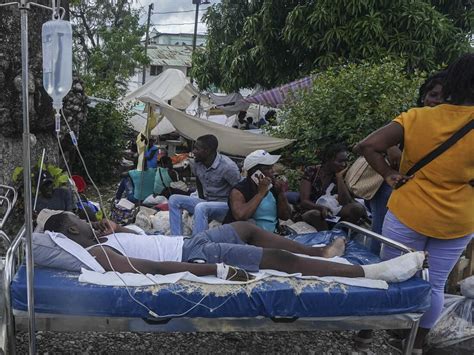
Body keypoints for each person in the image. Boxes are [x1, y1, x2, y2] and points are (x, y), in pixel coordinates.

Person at [358, 53, 474, 352]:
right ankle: (415, 345)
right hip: (459, 218)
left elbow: (368, 145)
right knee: (434, 284)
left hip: (409, 208)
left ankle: (368, 331)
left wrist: (388, 174)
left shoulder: (418, 117)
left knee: (389, 272)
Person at [39, 209, 426, 284]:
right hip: (196, 254)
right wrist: (217, 271)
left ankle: (318, 251)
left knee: (244, 227)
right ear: (70, 235)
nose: (85, 223)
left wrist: (119, 226)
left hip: (193, 239)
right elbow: (151, 269)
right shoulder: (95, 253)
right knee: (272, 259)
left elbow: (145, 241)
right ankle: (370, 272)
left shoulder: (103, 237)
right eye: (78, 224)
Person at [365, 71, 447, 235]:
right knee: (380, 233)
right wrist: (390, 148)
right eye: (433, 95)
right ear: (423, 97)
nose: (437, 101)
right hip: (391, 186)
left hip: (424, 196)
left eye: (443, 97)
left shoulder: (452, 128)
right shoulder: (410, 118)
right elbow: (368, 144)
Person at [168, 135, 242, 236]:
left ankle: (197, 244)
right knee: (174, 199)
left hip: (225, 207)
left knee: (201, 207)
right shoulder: (197, 163)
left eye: (197, 149)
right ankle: (176, 239)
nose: (193, 151)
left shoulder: (228, 167)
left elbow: (240, 189)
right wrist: (201, 197)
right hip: (207, 202)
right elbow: (198, 178)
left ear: (207, 151)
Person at [298, 144, 366, 231]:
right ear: (328, 159)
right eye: (340, 161)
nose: (343, 164)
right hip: (312, 209)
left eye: (345, 161)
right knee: (316, 214)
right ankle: (328, 238)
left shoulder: (341, 174)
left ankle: (341, 233)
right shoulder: (312, 171)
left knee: (357, 208)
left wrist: (339, 177)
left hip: (332, 210)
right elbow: (304, 201)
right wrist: (321, 208)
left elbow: (344, 202)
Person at [223, 150, 291, 233]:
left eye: (272, 167)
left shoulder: (273, 188)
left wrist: (281, 194)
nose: (272, 171)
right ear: (255, 173)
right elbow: (240, 215)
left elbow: (285, 216)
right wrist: (260, 194)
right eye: (267, 168)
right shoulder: (239, 190)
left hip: (271, 236)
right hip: (246, 238)